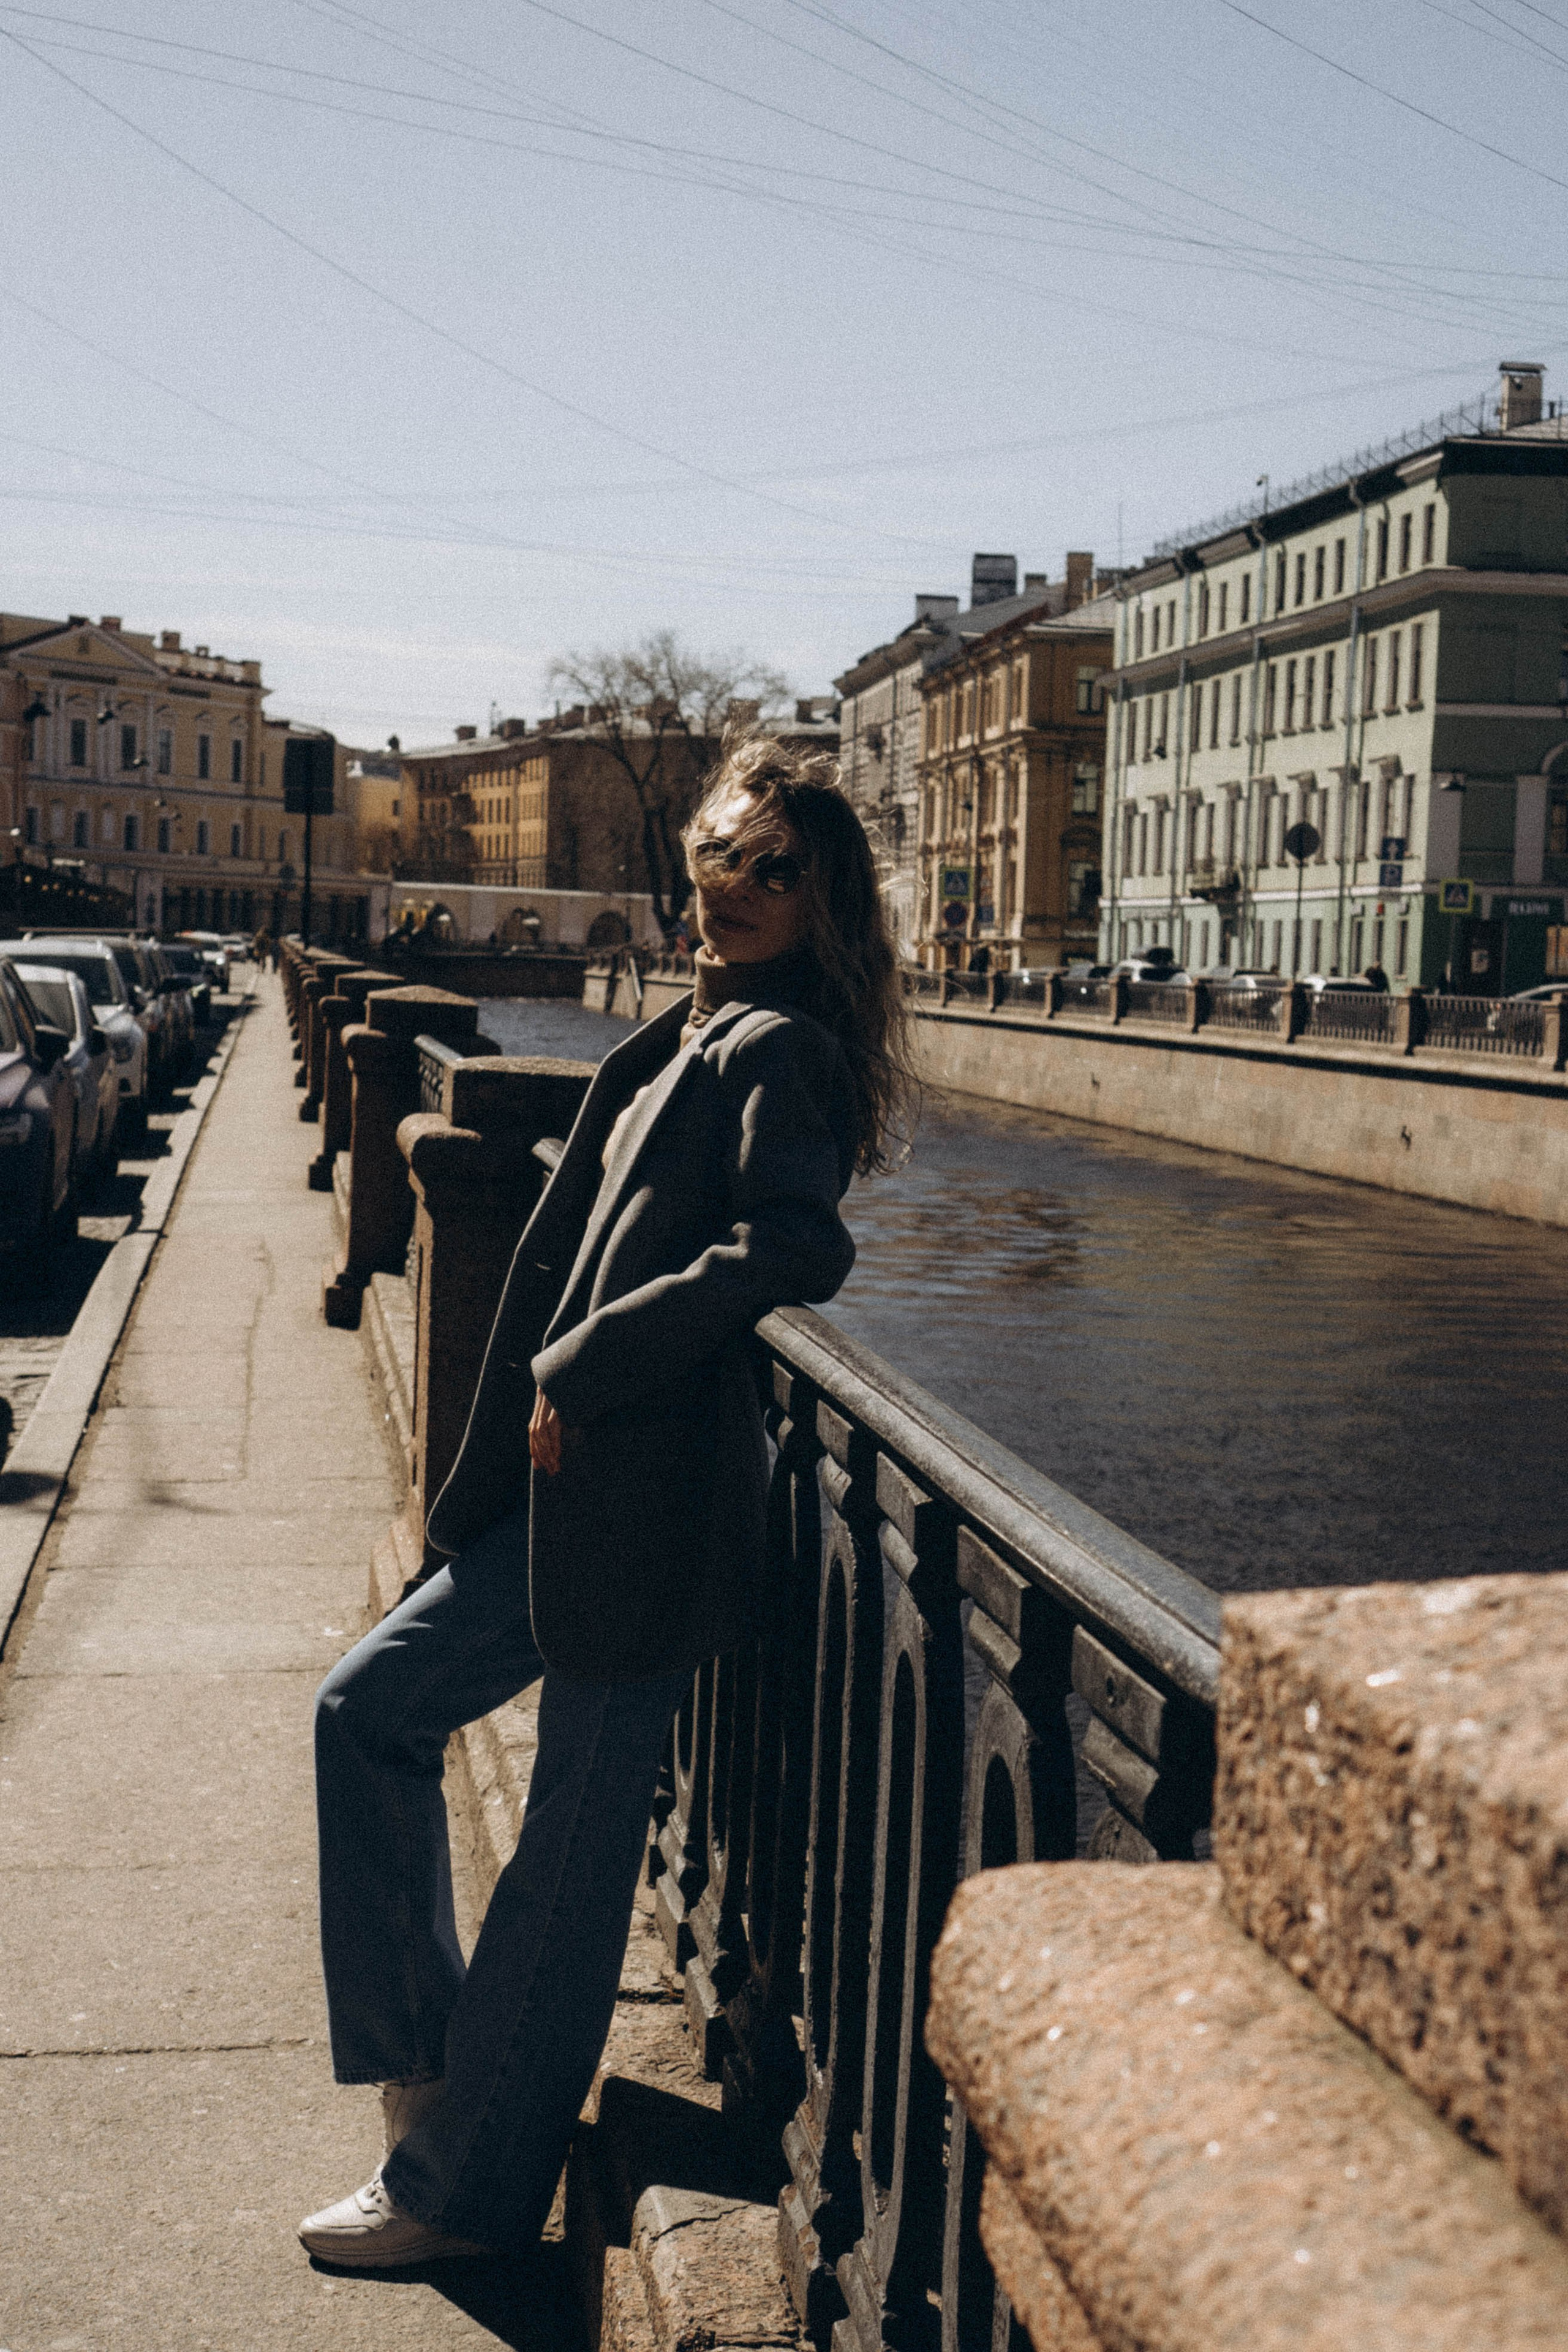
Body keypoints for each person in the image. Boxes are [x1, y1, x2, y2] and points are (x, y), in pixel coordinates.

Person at [298, 729, 913, 2267]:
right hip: (562, 1493)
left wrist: (581, 1358)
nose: (736, 887)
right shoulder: (698, 1023)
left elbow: (794, 1248)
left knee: (569, 1864)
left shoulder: (784, 1049)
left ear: (825, 895)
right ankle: (437, 2080)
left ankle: (466, 2192)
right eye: (723, 856)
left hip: (645, 1505)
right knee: (366, 1711)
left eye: (775, 869)